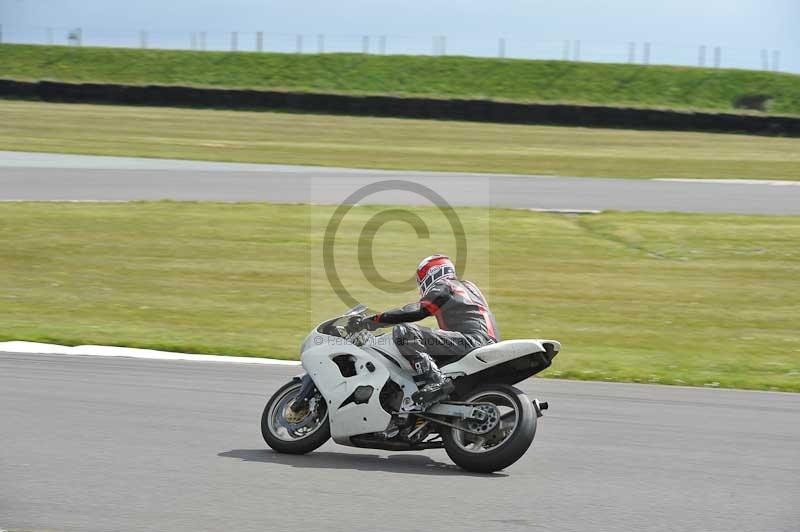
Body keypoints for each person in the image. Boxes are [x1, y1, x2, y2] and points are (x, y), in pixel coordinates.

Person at [354, 254, 500, 406]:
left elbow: (418, 311)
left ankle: (436, 381)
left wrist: (374, 321)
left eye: (421, 281)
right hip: (485, 342)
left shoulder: (446, 285)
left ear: (432, 274)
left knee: (405, 332)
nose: (421, 286)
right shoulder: (469, 288)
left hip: (471, 341)